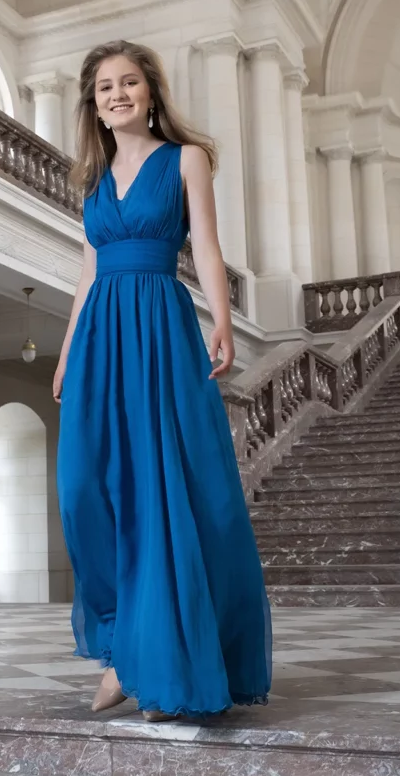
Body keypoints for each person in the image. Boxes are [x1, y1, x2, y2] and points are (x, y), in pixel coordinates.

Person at [54, 39, 271, 721]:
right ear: (92, 103)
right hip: (98, 338)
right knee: (85, 488)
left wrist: (223, 320)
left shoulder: (186, 160)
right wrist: (65, 352)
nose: (116, 95)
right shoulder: (91, 182)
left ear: (150, 92)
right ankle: (120, 644)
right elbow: (87, 274)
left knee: (163, 488)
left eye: (128, 83)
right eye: (103, 88)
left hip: (159, 326)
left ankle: (156, 664)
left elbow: (205, 245)